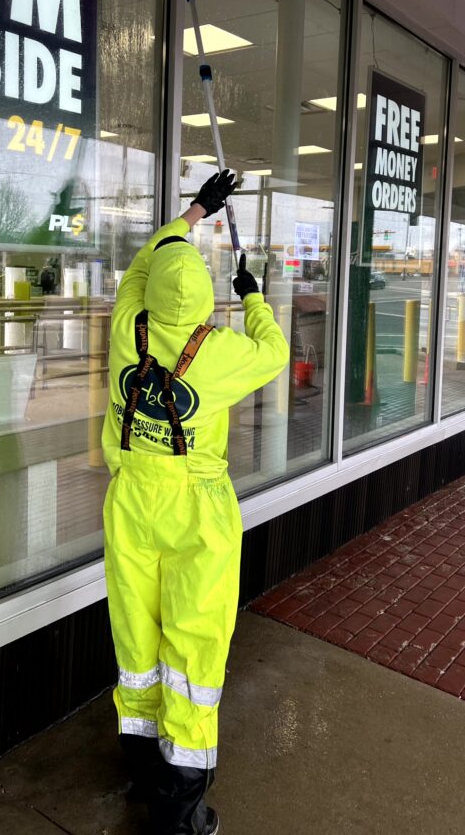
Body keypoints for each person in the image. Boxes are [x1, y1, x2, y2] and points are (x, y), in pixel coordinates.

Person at [101, 170, 290, 835]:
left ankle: (141, 766)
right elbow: (276, 350)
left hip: (130, 503)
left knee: (138, 640)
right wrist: (254, 294)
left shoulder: (126, 324)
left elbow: (145, 260)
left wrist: (194, 213)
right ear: (208, 298)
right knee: (193, 654)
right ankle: (180, 813)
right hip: (198, 515)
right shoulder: (221, 352)